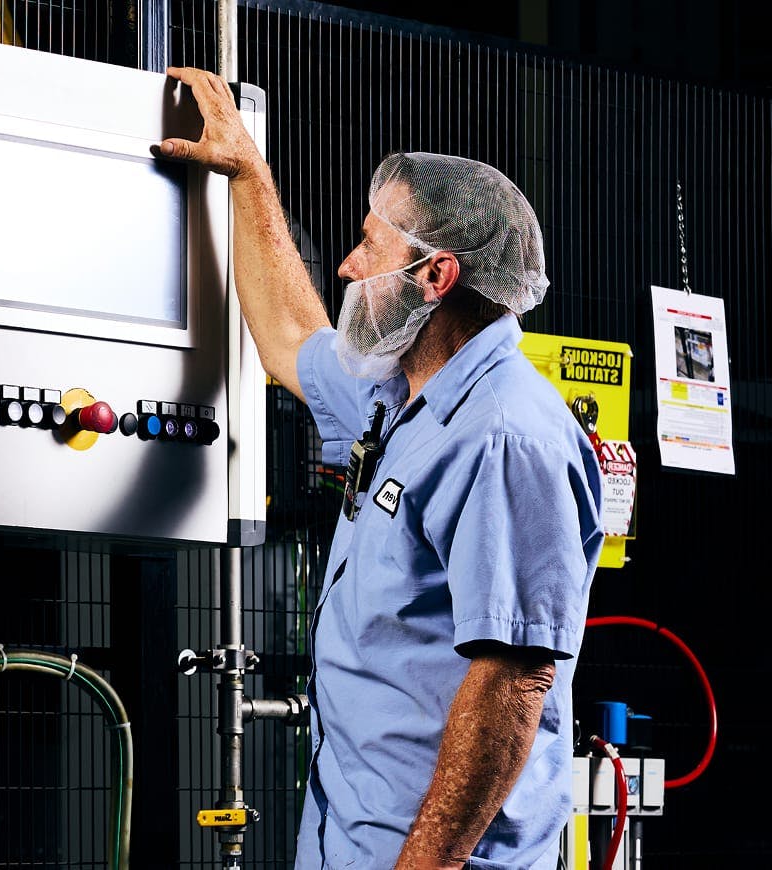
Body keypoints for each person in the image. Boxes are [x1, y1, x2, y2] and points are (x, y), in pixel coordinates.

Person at [159, 67, 604, 870]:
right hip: (352, 841)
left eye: (371, 245)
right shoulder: (395, 388)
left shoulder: (505, 435)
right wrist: (248, 175)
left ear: (436, 276)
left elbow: (513, 680)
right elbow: (290, 339)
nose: (348, 265)